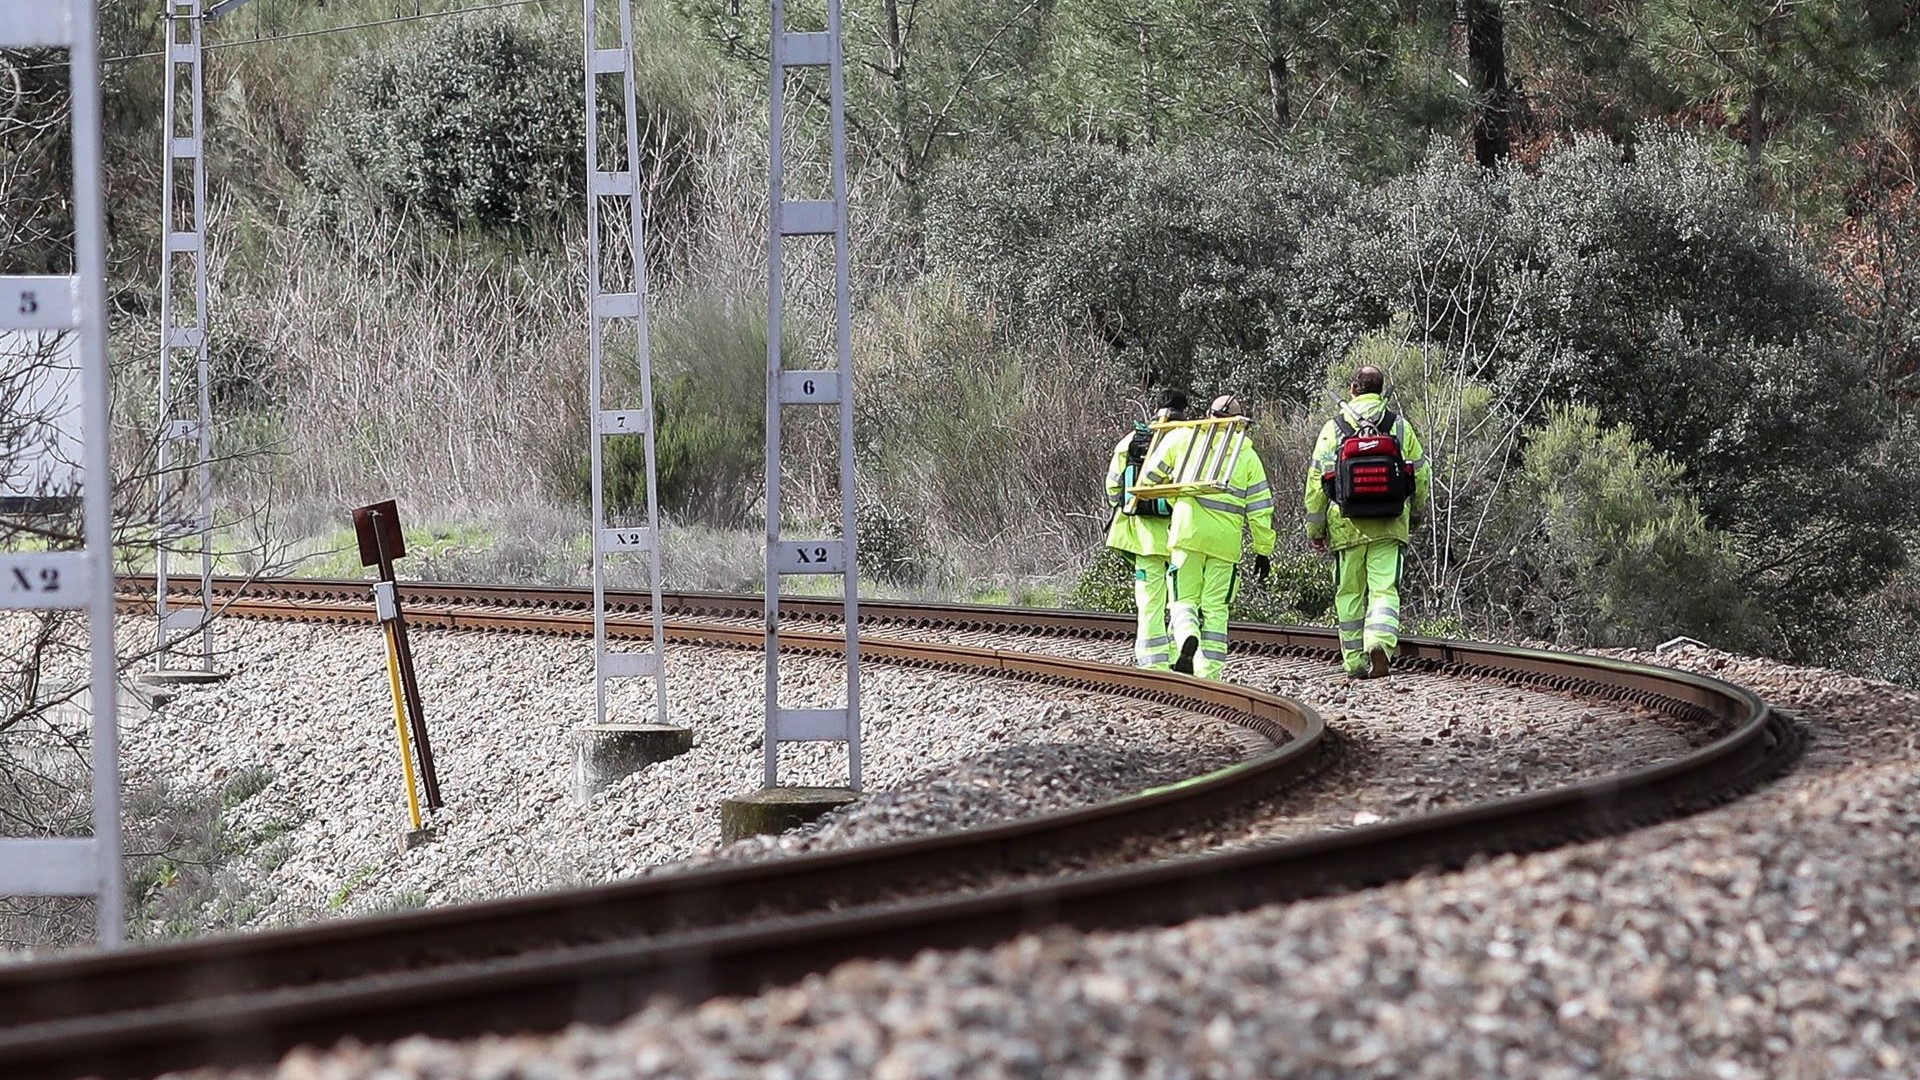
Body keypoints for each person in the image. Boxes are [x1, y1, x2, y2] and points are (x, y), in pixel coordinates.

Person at [1303, 365, 1430, 679]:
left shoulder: (1333, 428)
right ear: (1381, 389)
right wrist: (1414, 516)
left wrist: (1315, 529)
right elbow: (1421, 475)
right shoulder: (1399, 426)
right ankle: (1379, 643)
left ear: (1352, 389)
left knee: (1349, 594)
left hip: (1346, 525)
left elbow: (1317, 482)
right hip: (1390, 522)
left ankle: (1355, 662)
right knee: (1384, 591)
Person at [1137, 394, 1275, 679]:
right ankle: (1209, 674)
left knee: (1182, 599)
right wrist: (1263, 549)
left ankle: (1187, 633)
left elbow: (1149, 478)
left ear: (1207, 414)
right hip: (1226, 543)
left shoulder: (1183, 438)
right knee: (1216, 607)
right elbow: (1261, 508)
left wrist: (1176, 491)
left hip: (1187, 534)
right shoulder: (1247, 455)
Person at [1104, 389, 1187, 669]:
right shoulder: (1191, 439)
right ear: (1184, 411)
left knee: (1149, 601)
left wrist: (1125, 506)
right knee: (1182, 599)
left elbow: (1113, 486)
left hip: (1143, 539)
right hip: (1182, 536)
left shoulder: (1133, 440)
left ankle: (1152, 664)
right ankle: (1179, 657)